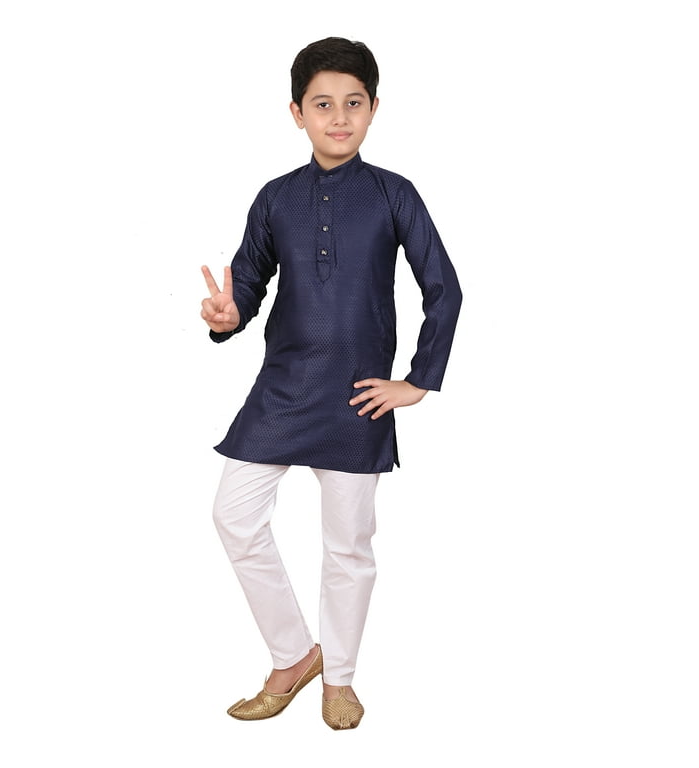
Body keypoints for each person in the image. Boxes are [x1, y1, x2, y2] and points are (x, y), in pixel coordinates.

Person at [200, 36, 462, 730]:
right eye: (322, 105)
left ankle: (339, 677)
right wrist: (229, 314)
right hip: (284, 387)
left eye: (353, 103)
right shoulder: (275, 198)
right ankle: (294, 656)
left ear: (374, 108)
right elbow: (247, 282)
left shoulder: (394, 194)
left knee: (348, 545)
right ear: (297, 113)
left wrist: (417, 381)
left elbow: (445, 288)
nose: (338, 118)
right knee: (233, 515)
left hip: (357, 397)